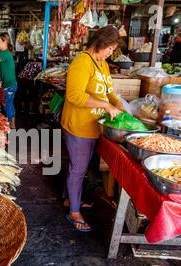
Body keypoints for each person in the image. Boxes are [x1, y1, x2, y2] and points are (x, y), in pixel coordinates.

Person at [60, 25, 124, 232]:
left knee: (78, 167)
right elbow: (74, 96)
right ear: (102, 44)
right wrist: (105, 105)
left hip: (93, 125)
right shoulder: (82, 62)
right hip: (79, 126)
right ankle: (74, 213)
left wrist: (117, 103)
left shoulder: (102, 64)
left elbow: (108, 91)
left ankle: (70, 200)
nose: (111, 53)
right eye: (111, 48)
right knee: (78, 170)